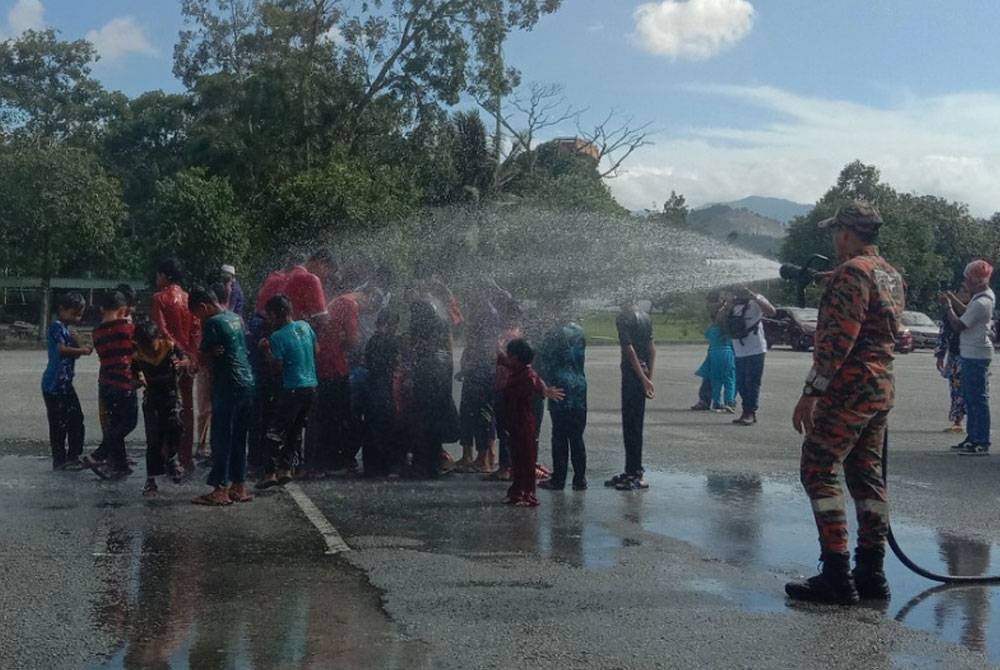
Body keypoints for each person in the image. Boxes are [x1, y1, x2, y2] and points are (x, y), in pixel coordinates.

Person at [785, 200, 904, 605]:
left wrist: (811, 392)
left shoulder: (851, 273)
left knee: (818, 467)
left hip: (849, 388)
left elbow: (838, 342)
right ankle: (871, 572)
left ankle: (836, 574)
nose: (834, 238)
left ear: (848, 233)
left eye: (837, 231)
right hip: (879, 389)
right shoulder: (889, 273)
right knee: (867, 476)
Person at [188, 286, 256, 505]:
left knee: (221, 437)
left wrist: (200, 356)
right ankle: (239, 485)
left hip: (228, 384)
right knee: (238, 437)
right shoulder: (235, 318)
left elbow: (205, 356)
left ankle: (219, 489)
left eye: (197, 315)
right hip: (247, 382)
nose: (198, 320)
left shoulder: (212, 323)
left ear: (203, 307)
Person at [256, 295, 319, 489]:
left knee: (274, 431)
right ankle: (285, 469)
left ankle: (269, 473)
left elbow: (277, 366)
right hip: (311, 387)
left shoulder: (277, 336)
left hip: (292, 388)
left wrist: (265, 351)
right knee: (295, 431)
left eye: (269, 315)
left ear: (275, 314)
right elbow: (316, 349)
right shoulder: (305, 327)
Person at [498, 338, 563, 507]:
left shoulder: (528, 375)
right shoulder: (517, 369)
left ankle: (529, 495)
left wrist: (545, 391)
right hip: (514, 423)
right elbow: (507, 363)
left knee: (527, 461)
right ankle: (516, 492)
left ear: (518, 358)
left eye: (510, 355)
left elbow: (537, 383)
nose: (508, 358)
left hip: (524, 424)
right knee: (517, 460)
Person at [150, 258, 201, 474]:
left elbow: (161, 331)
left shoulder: (159, 298)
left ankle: (166, 455)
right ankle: (185, 456)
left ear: (164, 275)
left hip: (167, 361)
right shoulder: (189, 299)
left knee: (164, 410)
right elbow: (197, 331)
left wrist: (175, 352)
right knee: (187, 408)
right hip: (187, 359)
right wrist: (191, 357)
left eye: (158, 274)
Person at [940, 260, 995, 456]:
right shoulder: (980, 297)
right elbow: (966, 311)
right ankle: (973, 437)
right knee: (971, 399)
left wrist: (947, 306)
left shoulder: (982, 302)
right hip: (971, 352)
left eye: (967, 278)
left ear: (976, 279)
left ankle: (981, 441)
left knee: (977, 400)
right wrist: (954, 299)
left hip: (976, 354)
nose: (965, 282)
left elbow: (959, 324)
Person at [83, 291, 139, 480]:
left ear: (101, 309)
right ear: (124, 310)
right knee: (129, 423)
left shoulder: (97, 332)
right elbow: (135, 353)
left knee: (115, 424)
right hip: (124, 383)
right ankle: (98, 454)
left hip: (106, 384)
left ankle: (120, 465)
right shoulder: (128, 329)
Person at [307, 289, 362, 477]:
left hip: (322, 366)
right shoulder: (351, 305)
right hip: (336, 367)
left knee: (325, 415)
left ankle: (323, 458)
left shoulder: (335, 302)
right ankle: (337, 459)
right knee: (342, 415)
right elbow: (354, 340)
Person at [132, 320, 188, 497]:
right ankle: (151, 479)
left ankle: (171, 457)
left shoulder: (169, 347)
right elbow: (133, 377)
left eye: (151, 345)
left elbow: (186, 360)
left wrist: (182, 364)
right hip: (152, 398)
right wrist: (137, 382)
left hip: (171, 396)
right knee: (153, 438)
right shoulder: (138, 355)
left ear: (158, 338)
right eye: (144, 346)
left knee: (176, 428)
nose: (149, 350)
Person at [606, 299, 655, 491]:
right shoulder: (646, 316)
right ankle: (631, 470)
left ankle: (635, 473)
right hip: (643, 372)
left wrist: (643, 379)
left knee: (631, 424)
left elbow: (629, 349)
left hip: (633, 374)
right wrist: (649, 375)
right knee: (635, 423)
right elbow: (652, 347)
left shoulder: (623, 318)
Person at [41, 292, 92, 471]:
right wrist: (83, 351)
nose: (77, 317)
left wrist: (80, 344)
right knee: (58, 424)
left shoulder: (68, 329)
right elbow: (62, 350)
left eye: (80, 314)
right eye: (74, 313)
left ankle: (73, 455)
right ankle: (60, 459)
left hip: (65, 383)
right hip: (53, 385)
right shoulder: (56, 326)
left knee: (76, 419)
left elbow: (74, 354)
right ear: (62, 309)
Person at [537, 316, 588, 491]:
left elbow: (540, 363)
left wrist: (543, 387)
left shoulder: (553, 334)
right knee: (576, 437)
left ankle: (559, 479)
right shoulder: (579, 331)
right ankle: (580, 479)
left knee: (559, 436)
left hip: (559, 388)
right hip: (579, 387)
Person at [724, 287, 776, 426]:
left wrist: (754, 297)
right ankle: (745, 411)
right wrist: (727, 304)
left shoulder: (757, 300)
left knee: (752, 383)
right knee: (741, 382)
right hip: (739, 350)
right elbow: (719, 321)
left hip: (756, 349)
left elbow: (772, 312)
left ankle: (750, 413)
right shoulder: (733, 304)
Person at [364, 309, 404, 478]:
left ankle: (372, 466)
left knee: (373, 425)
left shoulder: (372, 341)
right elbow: (397, 364)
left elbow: (368, 363)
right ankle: (390, 465)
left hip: (373, 387)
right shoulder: (393, 342)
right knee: (389, 426)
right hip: (388, 388)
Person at [935, 288, 970, 434]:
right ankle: (957, 420)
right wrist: (940, 355)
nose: (961, 294)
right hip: (954, 354)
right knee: (955, 388)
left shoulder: (971, 309)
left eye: (964, 291)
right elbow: (943, 333)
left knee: (965, 389)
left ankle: (963, 420)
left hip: (968, 354)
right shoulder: (948, 313)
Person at [696, 294, 737, 413]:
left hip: (714, 355)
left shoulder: (713, 329)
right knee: (729, 379)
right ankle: (730, 402)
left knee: (716, 380)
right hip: (727, 355)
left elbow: (706, 334)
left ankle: (716, 402)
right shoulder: (728, 331)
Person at [284, 248, 336, 322]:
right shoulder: (311, 279)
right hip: (296, 332)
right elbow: (322, 320)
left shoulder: (287, 274)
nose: (325, 275)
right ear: (320, 262)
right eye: (326, 269)